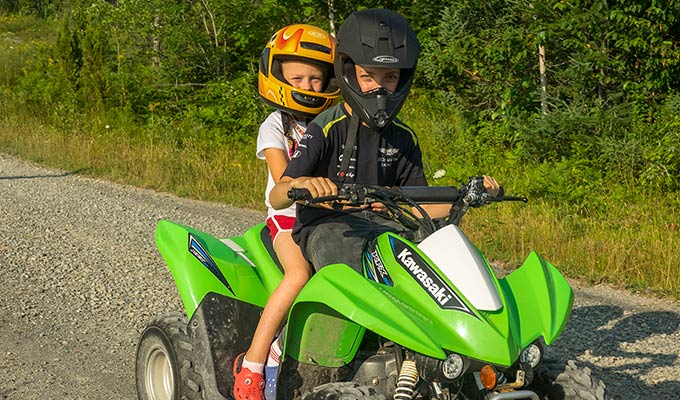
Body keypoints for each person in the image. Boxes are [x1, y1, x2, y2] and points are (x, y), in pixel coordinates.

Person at [268, 8, 500, 273]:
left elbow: (420, 207)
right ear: (349, 73)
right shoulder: (326, 127)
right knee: (345, 264)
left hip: (386, 225)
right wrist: (301, 184)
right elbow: (277, 197)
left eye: (390, 77)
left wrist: (466, 196)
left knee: (444, 254)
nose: (379, 88)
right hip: (329, 225)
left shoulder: (404, 137)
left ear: (402, 78)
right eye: (368, 77)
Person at [232, 24, 340, 400]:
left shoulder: (332, 124)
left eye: (316, 79)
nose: (308, 86)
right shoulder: (274, 126)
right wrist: (306, 184)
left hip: (327, 218)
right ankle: (254, 363)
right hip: (288, 218)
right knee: (298, 274)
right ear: (278, 77)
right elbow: (283, 177)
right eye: (298, 77)